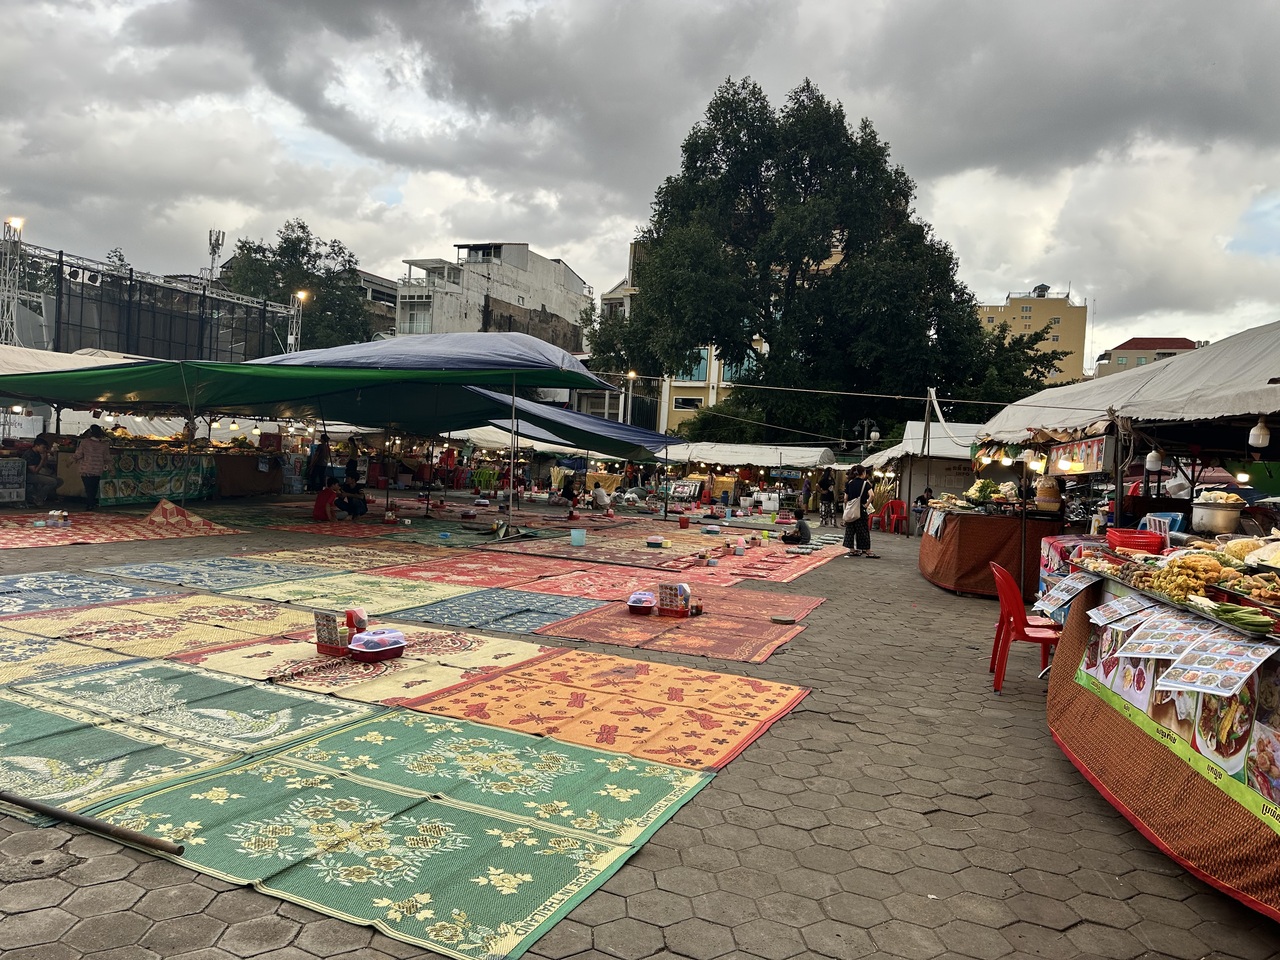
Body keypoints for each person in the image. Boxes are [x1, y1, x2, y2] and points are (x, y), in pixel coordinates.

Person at [71, 425, 112, 510]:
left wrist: (71, 460)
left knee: (88, 488)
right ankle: (91, 503)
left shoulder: (85, 442)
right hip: (98, 469)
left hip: (86, 468)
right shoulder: (104, 445)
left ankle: (89, 504)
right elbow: (107, 457)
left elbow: (78, 454)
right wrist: (110, 467)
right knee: (94, 487)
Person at [843, 466, 878, 558]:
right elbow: (872, 495)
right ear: (863, 473)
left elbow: (845, 498)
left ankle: (852, 550)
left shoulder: (849, 483)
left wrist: (848, 508)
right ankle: (867, 550)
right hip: (861, 510)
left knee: (850, 529)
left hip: (851, 510)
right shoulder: (865, 483)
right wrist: (866, 505)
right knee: (863, 530)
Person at [23, 438, 63, 507]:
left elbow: (44, 466)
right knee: (52, 482)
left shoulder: (38, 453)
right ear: (36, 446)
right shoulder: (30, 454)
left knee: (59, 481)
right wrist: (42, 459)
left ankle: (39, 495)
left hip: (36, 474)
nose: (44, 449)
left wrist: (45, 457)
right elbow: (34, 471)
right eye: (43, 447)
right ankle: (38, 498)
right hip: (28, 475)